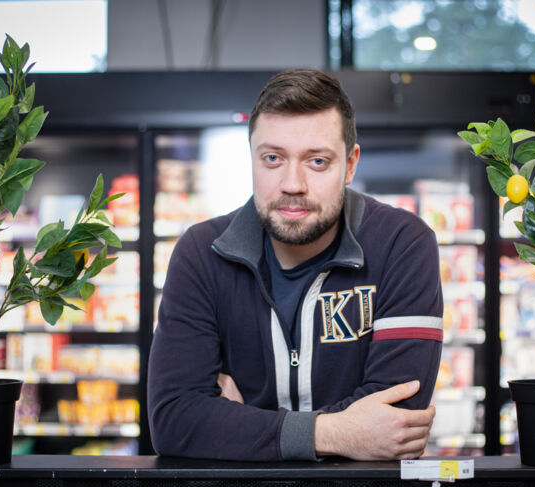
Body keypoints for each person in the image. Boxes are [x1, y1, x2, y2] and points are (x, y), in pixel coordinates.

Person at [148, 69, 443, 461]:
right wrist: (336, 433)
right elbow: (173, 422)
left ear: (350, 164)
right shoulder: (201, 253)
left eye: (317, 161)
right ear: (252, 158)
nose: (292, 183)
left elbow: (396, 420)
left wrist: (237, 422)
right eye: (273, 158)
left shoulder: (403, 244)